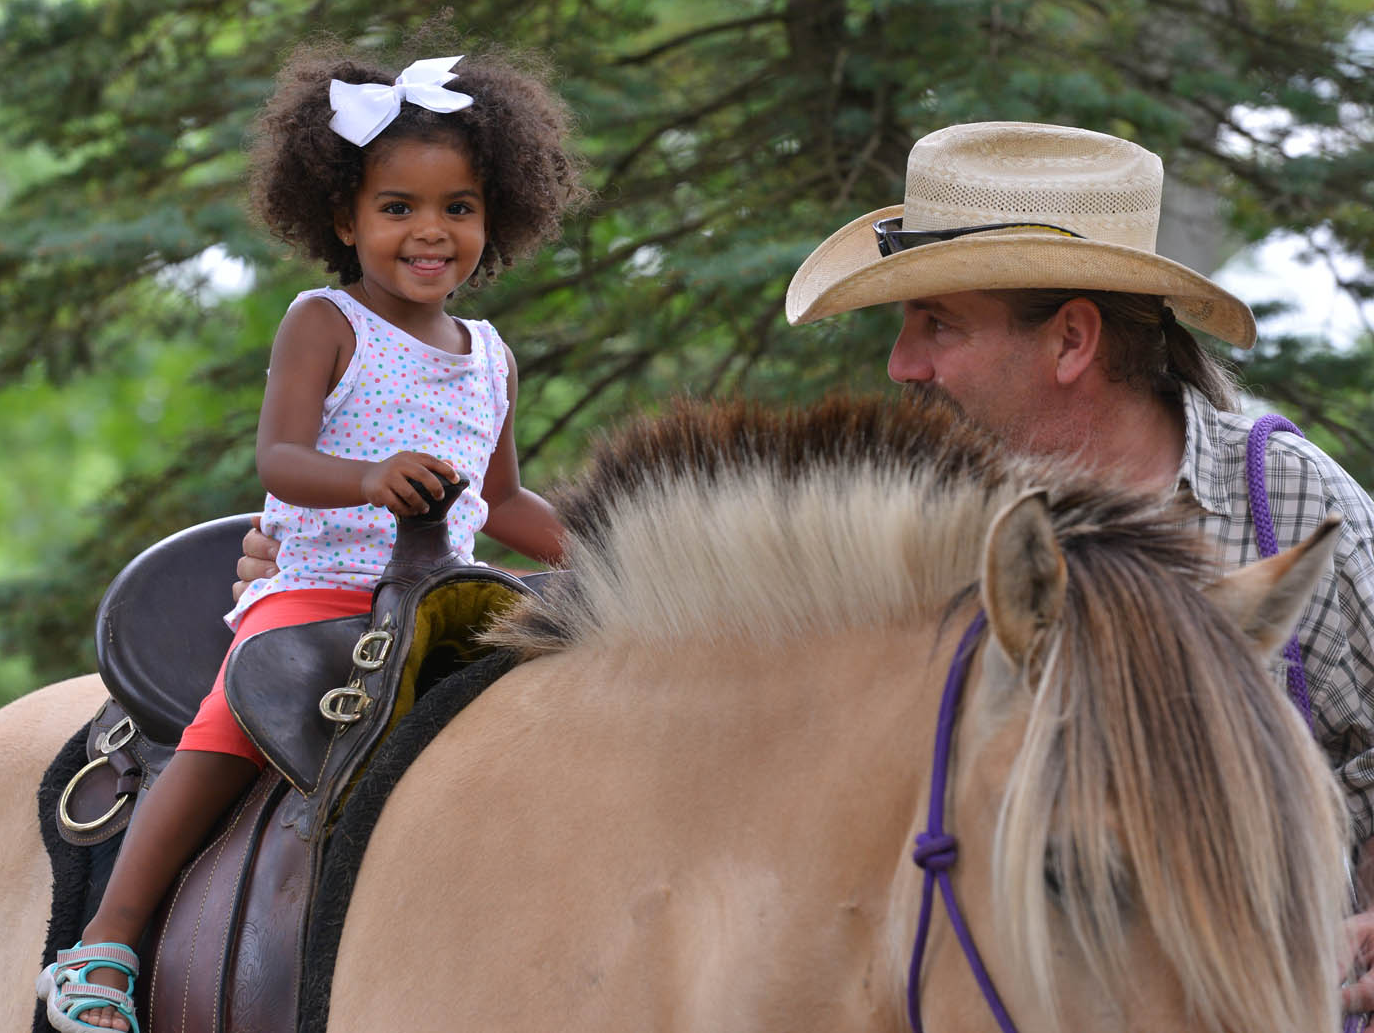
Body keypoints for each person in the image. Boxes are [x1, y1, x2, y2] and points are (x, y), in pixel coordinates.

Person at [236, 118, 1374, 1009]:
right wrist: (352, 552)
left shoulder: (1288, 509)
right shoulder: (912, 541)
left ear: (1072, 339)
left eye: (937, 322)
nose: (901, 363)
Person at [39, 46, 584, 1033]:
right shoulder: (326, 321)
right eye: (398, 207)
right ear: (344, 218)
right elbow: (284, 454)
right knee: (233, 719)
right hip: (320, 584)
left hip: (446, 594)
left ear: (494, 215)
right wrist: (370, 478)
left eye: (459, 207)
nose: (431, 230)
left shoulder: (492, 354)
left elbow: (501, 498)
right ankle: (106, 942)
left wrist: (591, 550)